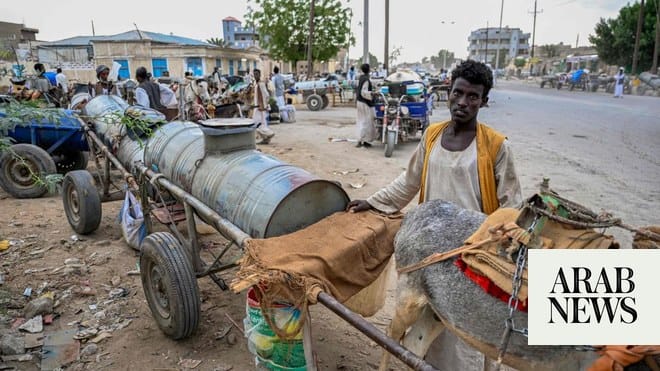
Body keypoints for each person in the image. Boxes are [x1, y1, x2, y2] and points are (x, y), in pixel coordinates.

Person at [347, 59, 522, 371]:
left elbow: (512, 207)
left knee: (463, 339)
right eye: (458, 93)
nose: (463, 102)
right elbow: (408, 182)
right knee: (427, 328)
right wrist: (372, 202)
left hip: (471, 256)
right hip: (431, 250)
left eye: (473, 96)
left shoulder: (496, 146)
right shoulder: (431, 136)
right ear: (448, 93)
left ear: (484, 101)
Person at [355, 63, 377, 148]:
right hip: (365, 103)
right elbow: (364, 93)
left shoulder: (361, 78)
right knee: (367, 122)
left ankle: (360, 140)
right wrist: (372, 94)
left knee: (361, 121)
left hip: (359, 102)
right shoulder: (366, 80)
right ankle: (366, 141)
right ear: (369, 70)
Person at [252, 68, 275, 144]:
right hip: (257, 106)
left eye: (257, 74)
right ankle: (266, 138)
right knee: (261, 123)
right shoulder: (256, 84)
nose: (256, 75)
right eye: (254, 74)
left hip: (260, 107)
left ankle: (269, 133)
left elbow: (266, 95)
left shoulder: (261, 84)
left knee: (257, 123)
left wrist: (264, 105)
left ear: (260, 75)